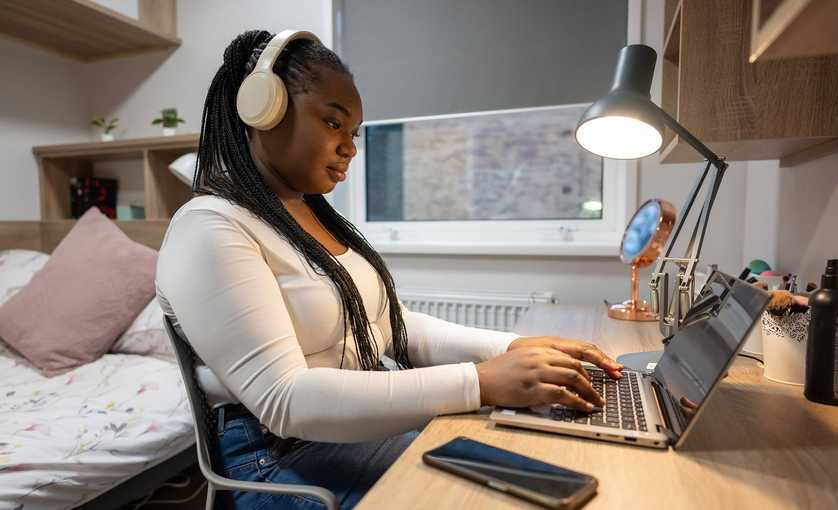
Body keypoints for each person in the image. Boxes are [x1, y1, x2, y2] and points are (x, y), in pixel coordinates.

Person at [155, 29, 624, 510]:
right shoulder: (210, 228)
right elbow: (286, 401)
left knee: (543, 458)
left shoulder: (309, 214)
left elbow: (394, 328)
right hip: (280, 459)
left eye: (353, 132)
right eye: (332, 123)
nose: (350, 148)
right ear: (263, 110)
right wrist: (481, 381)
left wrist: (512, 349)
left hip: (353, 424)